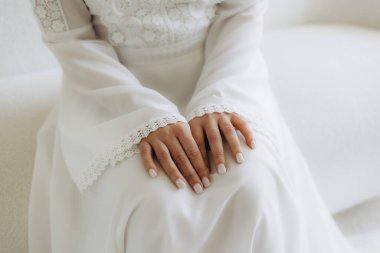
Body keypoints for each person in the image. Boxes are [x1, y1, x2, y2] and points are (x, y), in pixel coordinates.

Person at [28, 0, 357, 252]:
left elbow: (241, 12)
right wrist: (148, 116)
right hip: (111, 93)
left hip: (223, 73)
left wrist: (215, 100)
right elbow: (72, 39)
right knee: (153, 203)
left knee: (250, 185)